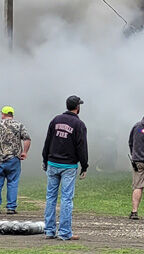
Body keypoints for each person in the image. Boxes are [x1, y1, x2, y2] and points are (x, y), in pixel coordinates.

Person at [42, 95, 88, 241]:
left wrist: (45, 159)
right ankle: (64, 233)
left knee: (50, 197)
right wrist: (84, 165)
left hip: (52, 163)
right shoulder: (79, 124)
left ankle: (49, 231)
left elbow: (47, 142)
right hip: (68, 166)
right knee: (67, 199)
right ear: (77, 107)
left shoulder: (55, 120)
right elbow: (82, 147)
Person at [0, 105, 31, 214]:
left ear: (3, 114)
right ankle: (11, 207)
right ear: (12, 115)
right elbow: (27, 139)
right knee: (12, 182)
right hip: (13, 159)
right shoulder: (19, 125)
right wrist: (24, 152)